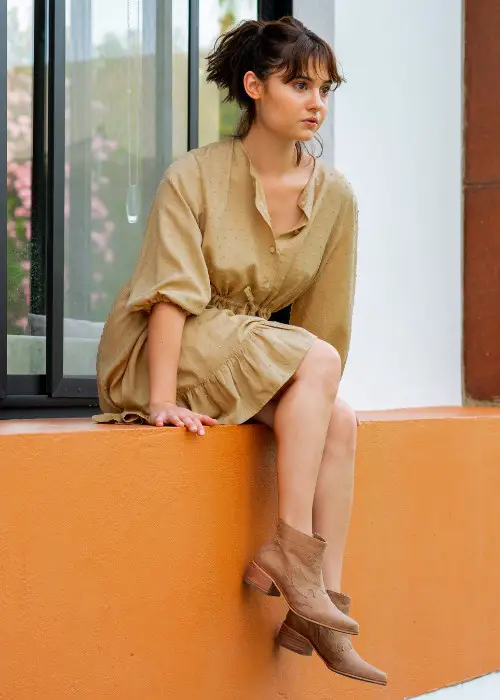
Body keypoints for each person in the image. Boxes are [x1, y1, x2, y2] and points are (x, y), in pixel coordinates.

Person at [94, 16, 386, 686]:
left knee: (339, 416)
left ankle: (322, 606)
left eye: (325, 88)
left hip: (242, 350)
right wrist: (161, 400)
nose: (317, 102)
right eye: (298, 84)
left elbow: (325, 322)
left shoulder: (335, 196)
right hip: (164, 346)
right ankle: (289, 557)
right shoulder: (192, 176)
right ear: (253, 87)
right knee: (311, 363)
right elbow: (170, 297)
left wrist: (314, 395)